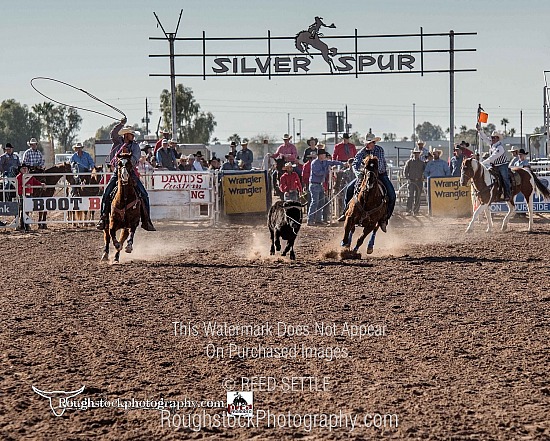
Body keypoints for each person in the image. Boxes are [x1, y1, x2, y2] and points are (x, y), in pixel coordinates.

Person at [96, 118, 155, 231]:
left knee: (144, 194)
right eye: (131, 134)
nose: (133, 137)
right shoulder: (118, 142)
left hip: (130, 172)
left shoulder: (135, 146)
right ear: (126, 135)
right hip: (117, 172)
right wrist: (121, 124)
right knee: (106, 193)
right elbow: (113, 133)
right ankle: (103, 218)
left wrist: (127, 159)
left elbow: (135, 159)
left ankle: (146, 220)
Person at [339, 133, 396, 232]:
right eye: (366, 143)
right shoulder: (362, 152)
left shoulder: (379, 150)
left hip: (380, 175)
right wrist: (359, 174)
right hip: (365, 176)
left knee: (392, 195)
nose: (367, 145)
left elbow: (381, 165)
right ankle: (346, 212)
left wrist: (373, 172)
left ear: (373, 143)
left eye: (369, 143)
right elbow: (355, 164)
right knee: (349, 189)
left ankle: (384, 218)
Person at [307, 148, 343, 226]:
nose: (324, 156)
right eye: (323, 155)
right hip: (314, 184)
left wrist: (342, 163)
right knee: (315, 202)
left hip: (319, 184)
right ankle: (310, 220)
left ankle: (318, 220)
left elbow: (333, 162)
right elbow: (318, 173)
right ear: (320, 155)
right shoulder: (314, 163)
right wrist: (328, 170)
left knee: (320, 202)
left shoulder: (324, 162)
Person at [477, 124, 511, 200]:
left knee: (505, 178)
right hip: (494, 165)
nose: (492, 138)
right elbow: (484, 138)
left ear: (497, 138)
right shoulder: (492, 144)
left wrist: (482, 163)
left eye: (494, 137)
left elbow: (492, 157)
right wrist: (480, 130)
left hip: (502, 165)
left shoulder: (500, 148)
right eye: (492, 137)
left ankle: (508, 194)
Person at [16, 164, 45, 231]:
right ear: (20, 169)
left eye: (26, 168)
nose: (25, 169)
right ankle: (23, 225)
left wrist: (41, 184)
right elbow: (18, 186)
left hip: (29, 194)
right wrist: (25, 186)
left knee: (27, 210)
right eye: (23, 168)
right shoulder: (18, 177)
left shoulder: (30, 176)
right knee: (23, 210)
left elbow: (35, 182)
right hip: (22, 195)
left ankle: (26, 224)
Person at [404, 146, 425, 215]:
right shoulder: (409, 162)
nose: (416, 154)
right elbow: (405, 171)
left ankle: (416, 211)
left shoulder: (422, 163)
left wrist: (423, 176)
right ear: (413, 154)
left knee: (418, 196)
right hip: (411, 181)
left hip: (419, 181)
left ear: (419, 154)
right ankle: (409, 210)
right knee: (410, 195)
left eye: (417, 153)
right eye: (415, 153)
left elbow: (424, 171)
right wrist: (408, 178)